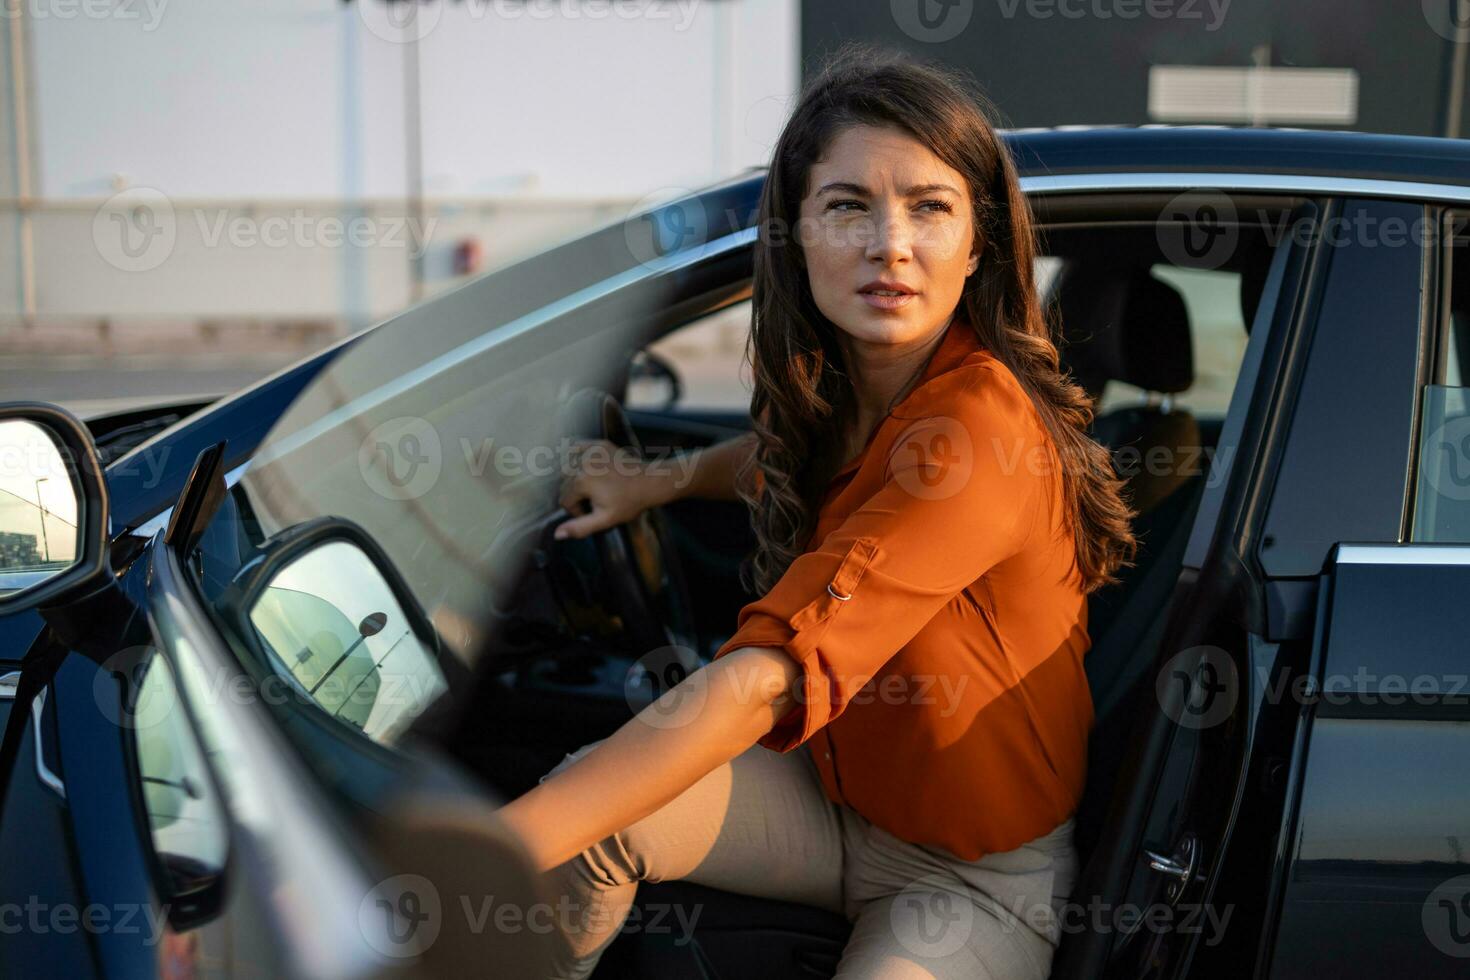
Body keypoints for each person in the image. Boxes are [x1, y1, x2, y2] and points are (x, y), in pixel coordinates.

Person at [495, 42, 1137, 979]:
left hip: (970, 881)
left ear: (980, 241)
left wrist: (486, 854)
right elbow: (780, 462)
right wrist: (656, 482)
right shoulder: (853, 390)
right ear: (796, 233)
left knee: (552, 820)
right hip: (831, 802)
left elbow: (767, 675)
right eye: (848, 207)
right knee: (595, 808)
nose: (891, 245)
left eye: (930, 208)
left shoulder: (978, 426)